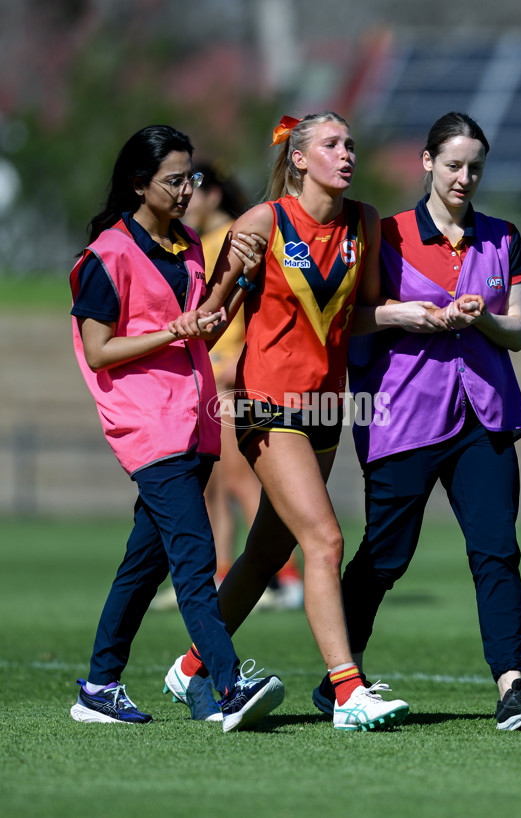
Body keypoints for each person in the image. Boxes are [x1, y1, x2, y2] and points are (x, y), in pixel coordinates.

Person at [310, 111, 521, 731]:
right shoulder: (386, 234)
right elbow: (354, 318)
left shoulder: (504, 237)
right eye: (453, 164)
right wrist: (415, 314)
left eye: (475, 166)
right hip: (403, 416)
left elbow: (518, 332)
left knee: (497, 551)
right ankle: (340, 678)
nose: (465, 177)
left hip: (486, 415)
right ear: (427, 163)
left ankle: (513, 686)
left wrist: (479, 318)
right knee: (386, 557)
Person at [165, 112, 410, 732]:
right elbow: (209, 321)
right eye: (331, 145)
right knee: (324, 541)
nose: (346, 153)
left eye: (351, 143)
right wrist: (239, 274)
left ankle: (194, 667)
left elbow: (361, 313)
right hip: (262, 403)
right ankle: (347, 690)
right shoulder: (262, 222)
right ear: (299, 159)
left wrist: (420, 315)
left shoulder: (366, 222)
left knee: (265, 552)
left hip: (325, 406)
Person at [68, 124, 284, 732]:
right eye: (174, 179)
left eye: (191, 177)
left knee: (145, 566)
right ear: (139, 185)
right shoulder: (106, 257)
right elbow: (100, 350)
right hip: (147, 426)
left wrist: (237, 280)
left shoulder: (188, 244)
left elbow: (206, 328)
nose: (189, 189)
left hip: (192, 423)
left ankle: (100, 686)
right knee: (195, 558)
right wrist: (173, 332)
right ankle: (226, 681)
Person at [151, 161, 303, 613]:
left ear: (213, 194)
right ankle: (220, 573)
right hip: (208, 377)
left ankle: (287, 578)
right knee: (214, 485)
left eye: (191, 188)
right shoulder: (197, 244)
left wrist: (229, 363)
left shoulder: (235, 240)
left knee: (242, 481)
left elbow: (244, 315)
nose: (184, 199)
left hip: (232, 378)